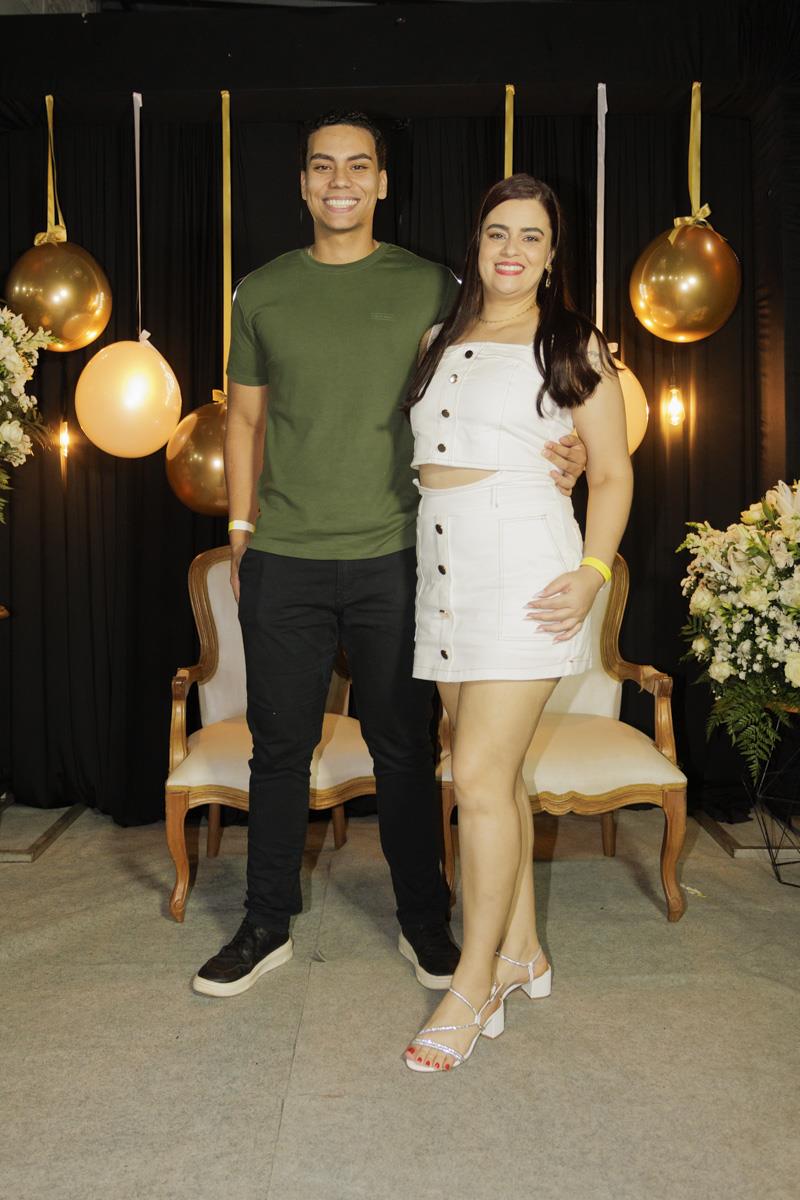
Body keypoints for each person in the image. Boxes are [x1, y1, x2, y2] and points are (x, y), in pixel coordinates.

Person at [192, 116, 587, 999]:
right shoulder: (260, 292)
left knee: (405, 749)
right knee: (278, 748)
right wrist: (243, 532)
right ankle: (264, 924)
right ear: (303, 183)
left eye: (358, 166)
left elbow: (510, 375)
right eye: (322, 166)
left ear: (381, 183)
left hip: (402, 555)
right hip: (285, 554)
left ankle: (425, 923)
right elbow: (245, 419)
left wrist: (571, 449)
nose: (340, 181)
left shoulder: (435, 286)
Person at [403, 173, 633, 1071]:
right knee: (489, 776)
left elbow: (610, 471)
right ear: (478, 241)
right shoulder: (437, 339)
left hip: (525, 567)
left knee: (477, 776)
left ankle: (474, 984)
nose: (512, 249)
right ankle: (525, 951)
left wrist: (592, 572)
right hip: (443, 563)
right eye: (499, 231)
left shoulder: (572, 342)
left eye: (531, 236)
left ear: (551, 253)